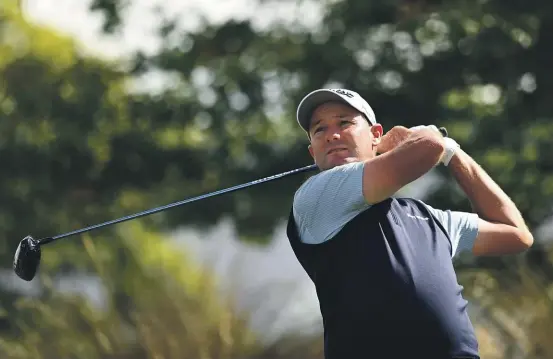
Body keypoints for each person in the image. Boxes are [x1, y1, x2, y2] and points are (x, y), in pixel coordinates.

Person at [285, 88, 534, 359]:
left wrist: (454, 155)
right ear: (313, 151)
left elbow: (516, 234)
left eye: (344, 123)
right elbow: (428, 147)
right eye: (320, 129)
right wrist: (429, 138)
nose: (332, 134)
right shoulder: (317, 196)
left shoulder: (427, 216)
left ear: (375, 135)